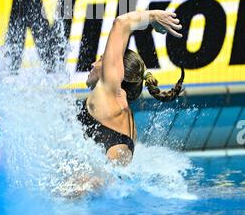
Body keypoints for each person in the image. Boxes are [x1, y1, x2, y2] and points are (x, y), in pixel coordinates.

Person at [77, 9, 185, 166]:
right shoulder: (129, 125)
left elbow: (121, 23)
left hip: (91, 181)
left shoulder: (110, 90)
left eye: (101, 60)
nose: (93, 64)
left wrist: (153, 16)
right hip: (110, 180)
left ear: (114, 71)